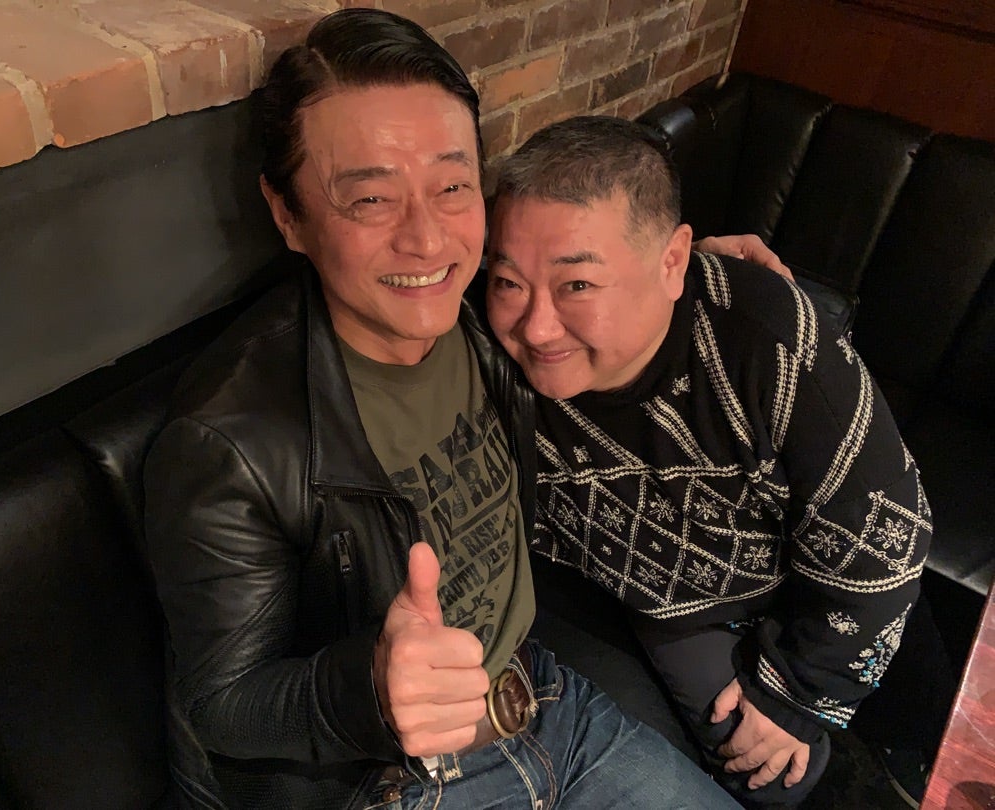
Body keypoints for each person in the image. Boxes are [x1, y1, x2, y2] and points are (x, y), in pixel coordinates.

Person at [143, 10, 742, 810]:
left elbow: (608, 293)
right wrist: (368, 688)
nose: (428, 241)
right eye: (371, 199)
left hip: (544, 701)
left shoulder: (494, 317)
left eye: (453, 187)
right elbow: (221, 704)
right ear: (288, 215)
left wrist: (705, 281)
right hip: (398, 782)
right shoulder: (230, 440)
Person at [485, 116, 934, 807]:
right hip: (668, 603)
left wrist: (797, 693)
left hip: (804, 573)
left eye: (578, 286)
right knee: (774, 781)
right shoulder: (487, 351)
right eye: (508, 282)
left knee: (902, 737)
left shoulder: (767, 339)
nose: (536, 326)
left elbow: (884, 535)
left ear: (671, 263)